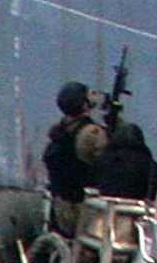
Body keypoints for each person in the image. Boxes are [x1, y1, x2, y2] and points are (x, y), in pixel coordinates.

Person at [42, 81, 109, 236]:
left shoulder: (60, 131)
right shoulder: (91, 133)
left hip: (60, 206)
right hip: (81, 209)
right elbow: (107, 164)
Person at [89, 121, 157, 201]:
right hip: (136, 210)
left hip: (105, 207)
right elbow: (154, 194)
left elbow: (91, 185)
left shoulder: (100, 161)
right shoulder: (151, 166)